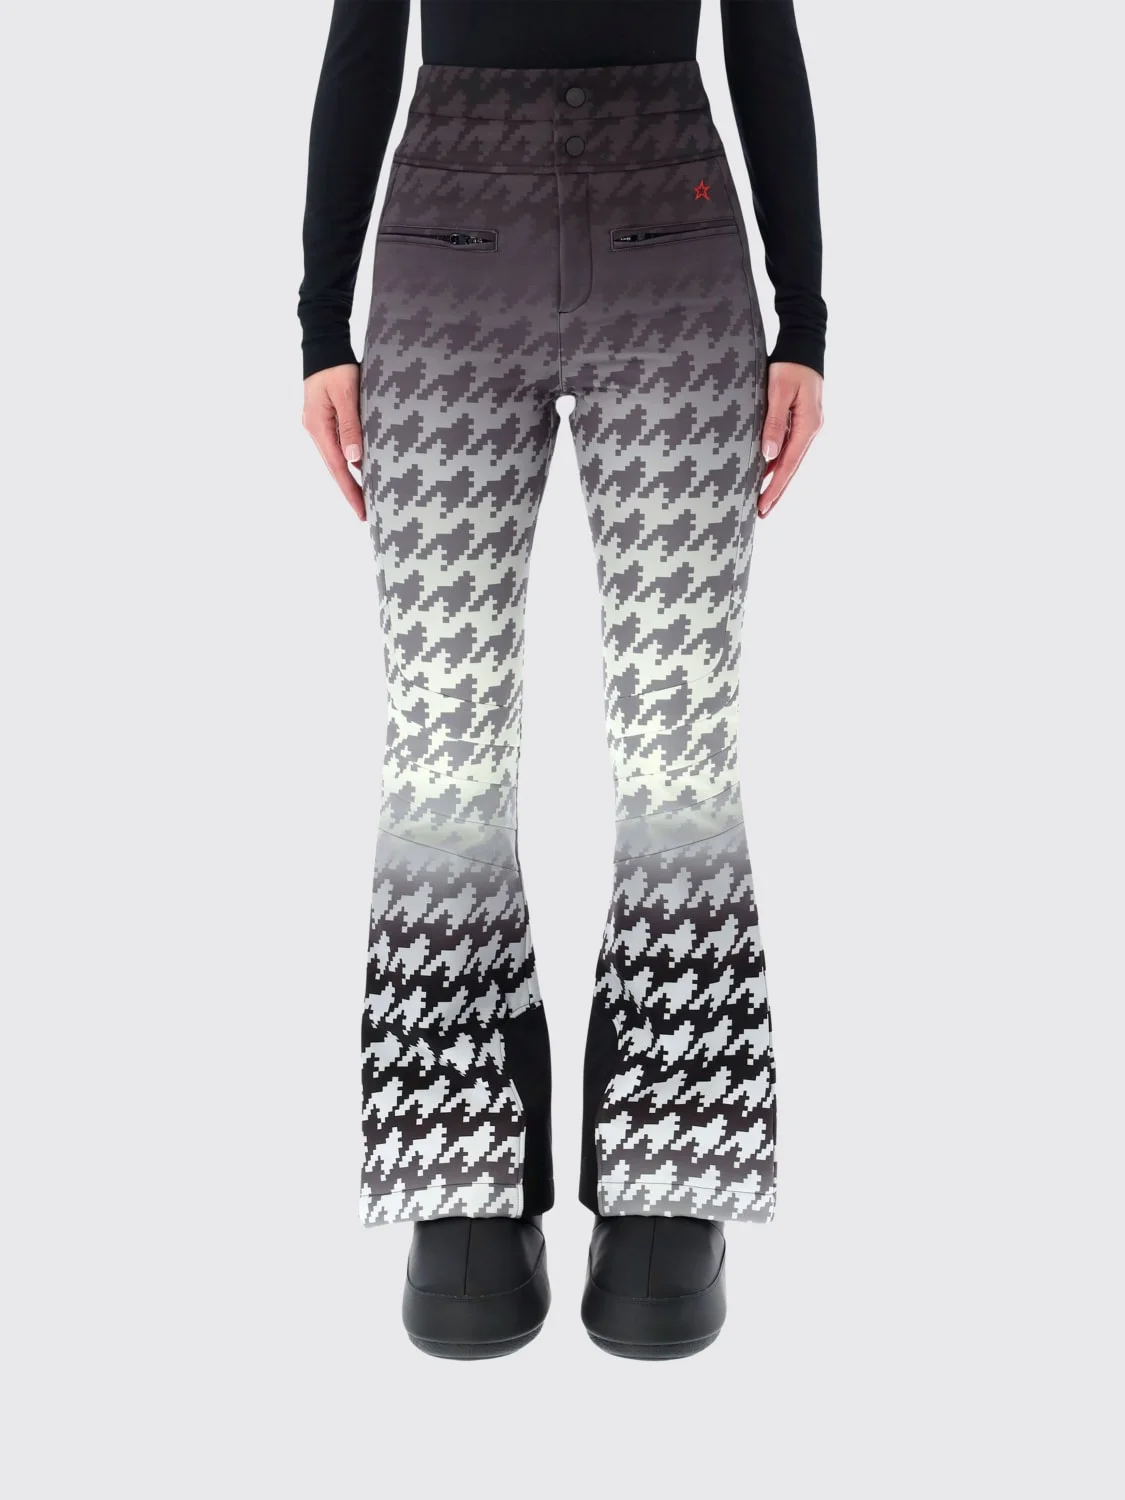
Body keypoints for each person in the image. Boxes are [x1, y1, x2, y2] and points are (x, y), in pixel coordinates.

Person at [298, 0, 825, 1361]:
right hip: (448, 244)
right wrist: (319, 326)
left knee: (677, 743)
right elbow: (364, 30)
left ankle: (670, 1174)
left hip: (672, 237)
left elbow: (760, 28)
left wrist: (805, 322)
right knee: (444, 741)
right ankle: (459, 1175)